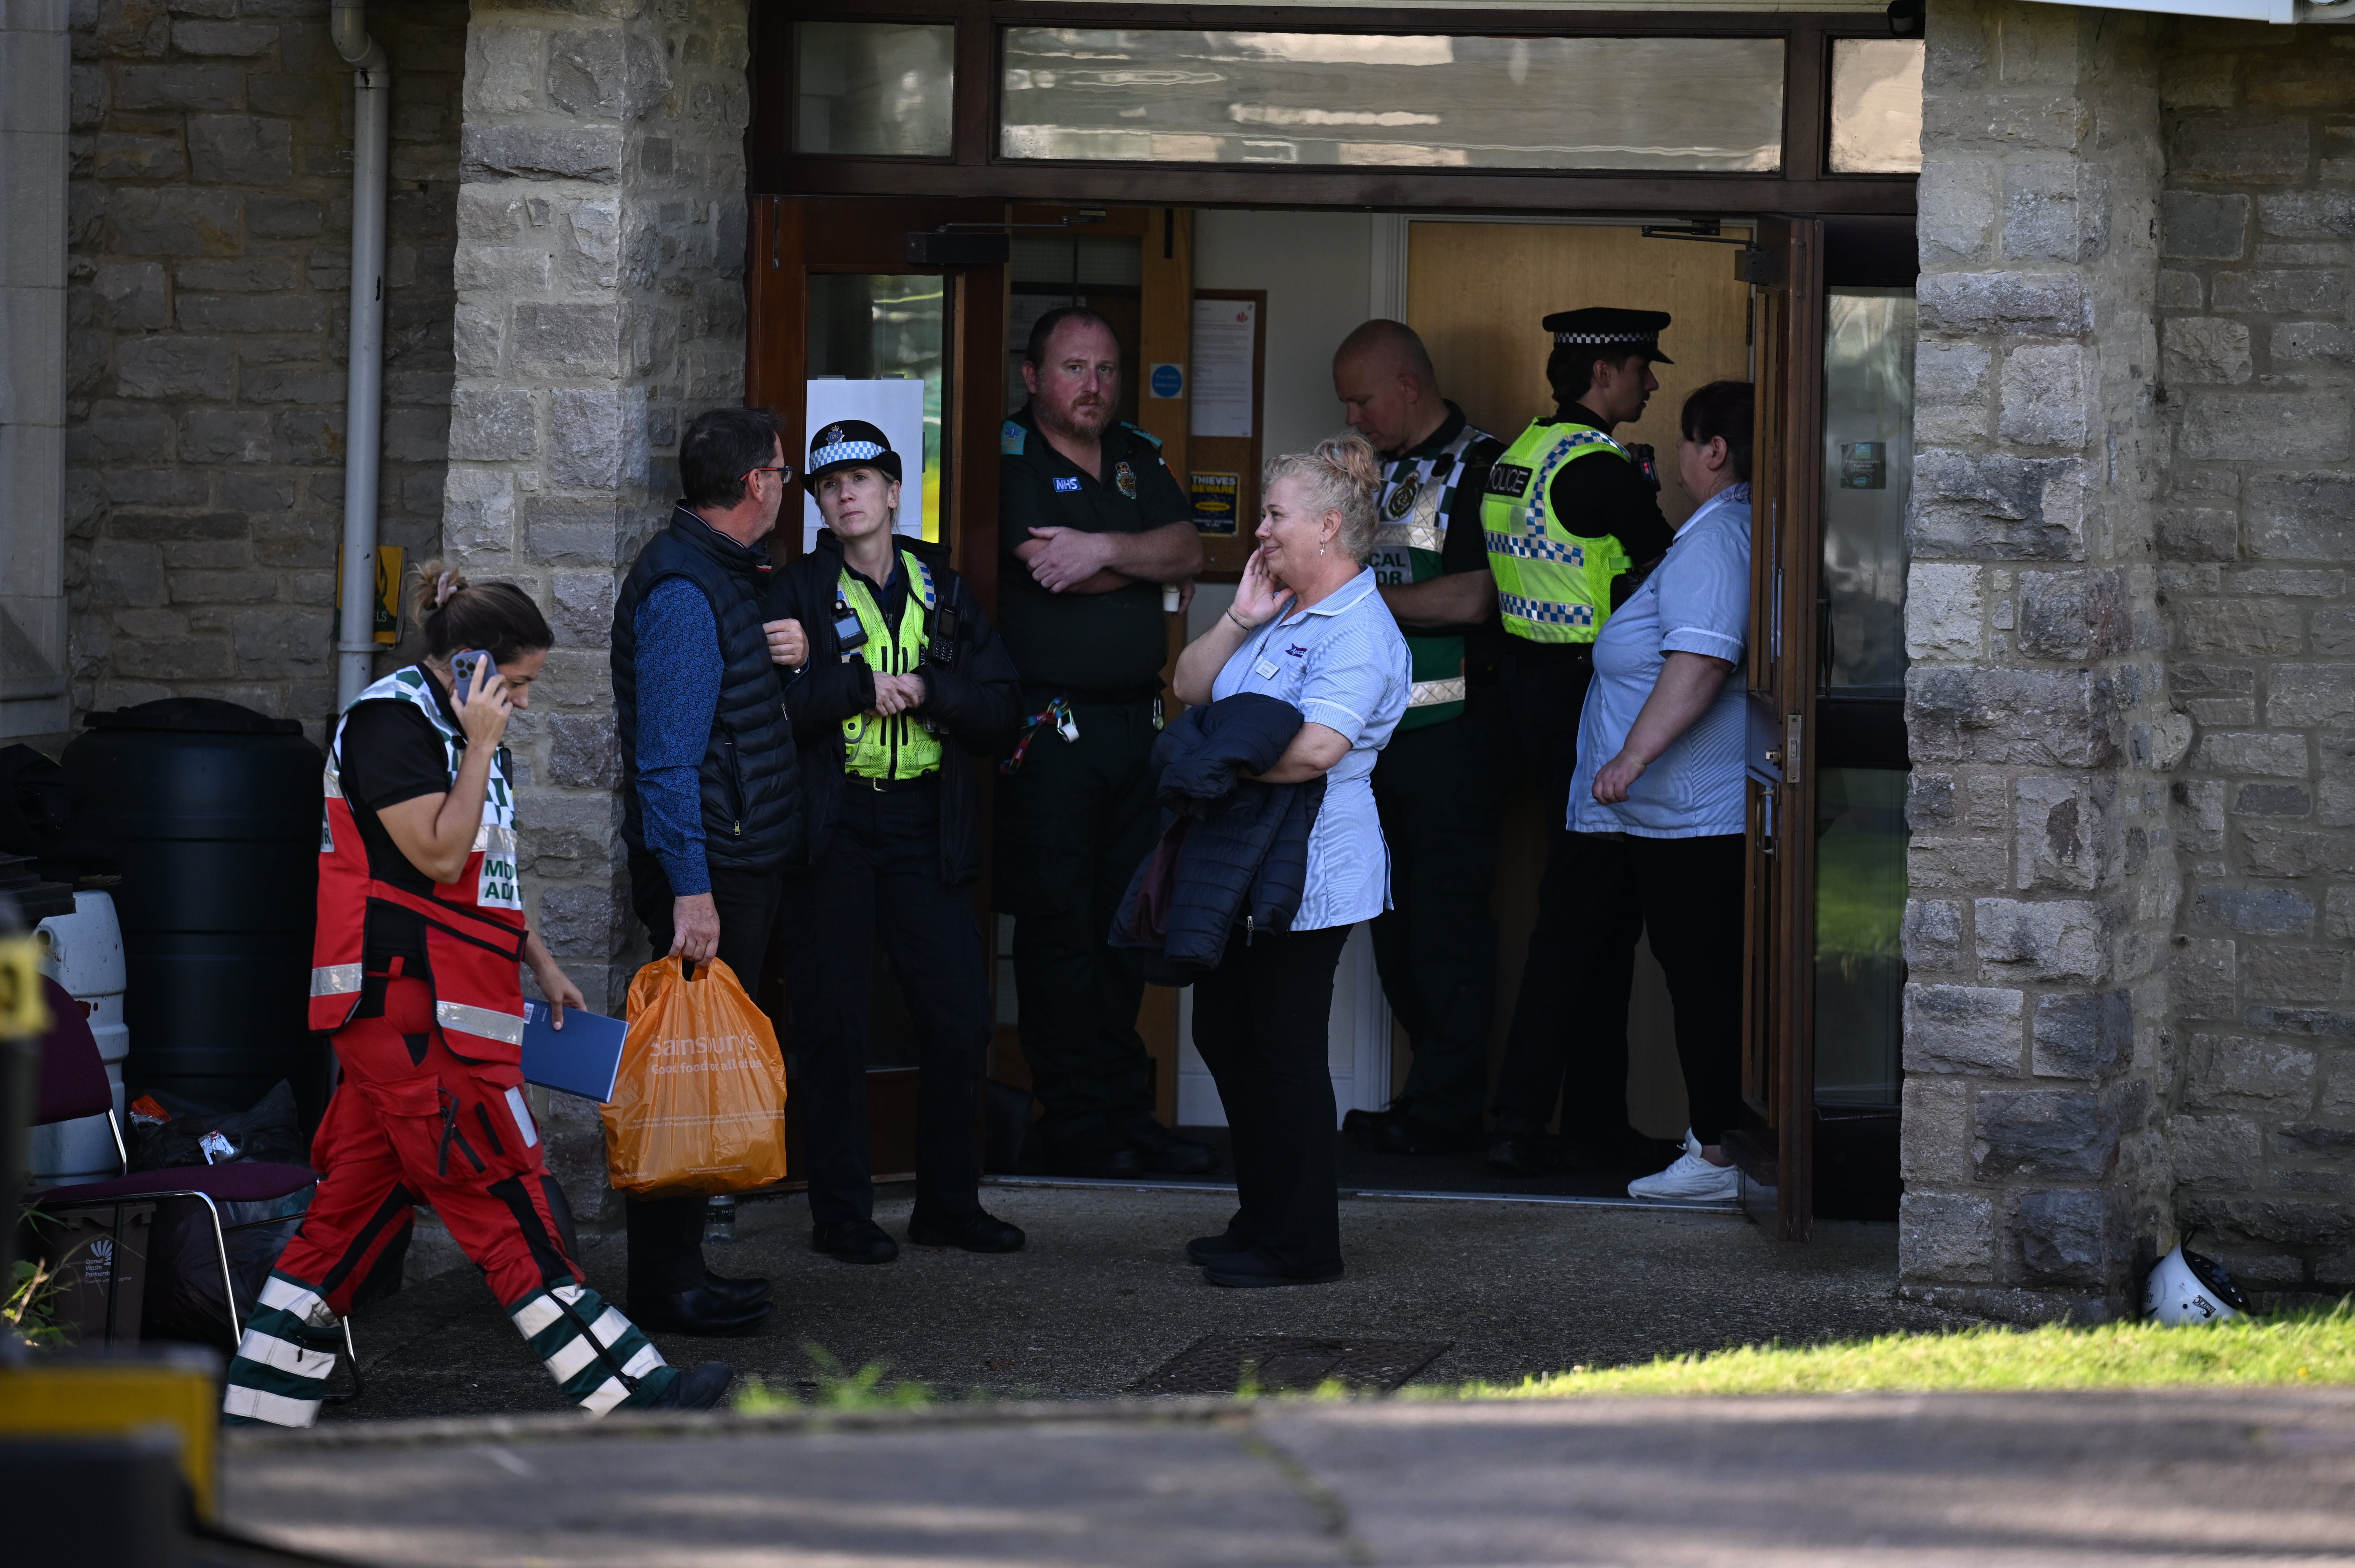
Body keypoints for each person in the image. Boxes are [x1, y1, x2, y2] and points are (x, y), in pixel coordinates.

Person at [225, 567, 731, 1427]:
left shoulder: (446, 723)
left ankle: (255, 1412)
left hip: (430, 1011)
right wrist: (484, 744)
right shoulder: (392, 723)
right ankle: (636, 1394)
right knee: (509, 1201)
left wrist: (536, 956)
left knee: (347, 1221)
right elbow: (434, 854)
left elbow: (478, 873)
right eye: (520, 684)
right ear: (471, 665)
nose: (524, 705)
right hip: (414, 1015)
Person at [764, 421, 1027, 1263]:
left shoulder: (943, 587)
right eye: (829, 484)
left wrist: (931, 690)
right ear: (818, 504)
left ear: (891, 492)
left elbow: (1000, 712)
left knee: (957, 1020)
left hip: (923, 825)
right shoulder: (793, 593)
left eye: (862, 480)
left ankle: (948, 1205)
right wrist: (848, 685)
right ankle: (841, 1213)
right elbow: (768, 717)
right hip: (833, 828)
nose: (846, 494)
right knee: (834, 1025)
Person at [1170, 435, 1411, 1287]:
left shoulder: (1361, 628)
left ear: (1328, 525)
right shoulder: (1284, 610)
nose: (1261, 530)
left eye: (1275, 515)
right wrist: (1239, 616)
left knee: (1284, 1049)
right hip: (1242, 856)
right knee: (1225, 1033)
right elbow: (1191, 688)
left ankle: (1304, 1245)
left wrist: (1204, 764)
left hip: (1310, 868)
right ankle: (1260, 1217)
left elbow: (1314, 749)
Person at [996, 305, 1211, 1179]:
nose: (1094, 386)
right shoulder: (1007, 456)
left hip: (1137, 724)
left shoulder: (1136, 453)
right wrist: (1127, 559)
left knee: (1128, 922)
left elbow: (1190, 549)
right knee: (1061, 931)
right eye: (1075, 368)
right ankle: (1076, 1118)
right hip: (1052, 729)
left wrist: (1100, 550)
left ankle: (1129, 1109)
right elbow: (1045, 565)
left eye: (1107, 369)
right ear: (1033, 377)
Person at [609, 406, 804, 1335]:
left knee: (701, 1064)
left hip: (730, 859)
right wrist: (692, 887)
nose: (787, 487)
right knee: (685, 1071)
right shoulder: (686, 589)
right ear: (757, 484)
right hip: (711, 872)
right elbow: (667, 760)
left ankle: (685, 1271)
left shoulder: (717, 573)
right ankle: (666, 1284)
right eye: (784, 473)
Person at [1482, 307, 1678, 1178]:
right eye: (1643, 369)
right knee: (1578, 917)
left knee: (1598, 916)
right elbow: (1676, 579)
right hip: (1590, 703)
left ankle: (1593, 1121)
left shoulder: (1517, 455)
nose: (1652, 384)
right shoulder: (1602, 475)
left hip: (1528, 691)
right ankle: (1523, 1119)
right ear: (1604, 375)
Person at [1560, 381, 1757, 1204]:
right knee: (1696, 975)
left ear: (1711, 451)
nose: (1678, 457)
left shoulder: (1717, 541)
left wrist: (1631, 759)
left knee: (1702, 978)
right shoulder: (1719, 531)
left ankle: (1717, 1153)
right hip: (1675, 820)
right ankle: (1714, 1140)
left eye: (1685, 441)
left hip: (1691, 819)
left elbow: (1702, 660)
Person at [1330, 320, 1508, 1157]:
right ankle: (1424, 1096)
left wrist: (1358, 602)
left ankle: (1447, 1108)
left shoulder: (1484, 466)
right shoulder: (1366, 472)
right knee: (1392, 926)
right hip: (1374, 737)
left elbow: (1474, 599)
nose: (1355, 417)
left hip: (1456, 738)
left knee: (1445, 925)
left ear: (1407, 384)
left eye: (1363, 399)